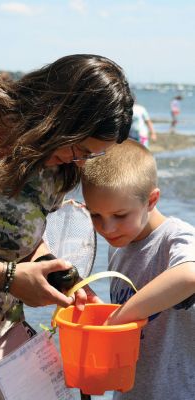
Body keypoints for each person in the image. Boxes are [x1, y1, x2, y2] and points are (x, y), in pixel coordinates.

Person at [0, 54, 133, 399]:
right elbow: (8, 266)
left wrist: (61, 279)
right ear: (58, 113)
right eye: (79, 148)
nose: (78, 161)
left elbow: (25, 244)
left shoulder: (57, 169)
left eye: (90, 156)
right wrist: (6, 276)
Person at [81, 139, 195, 400]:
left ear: (151, 200)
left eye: (120, 215)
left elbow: (190, 274)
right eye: (95, 215)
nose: (106, 228)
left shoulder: (177, 238)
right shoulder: (119, 245)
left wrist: (117, 318)